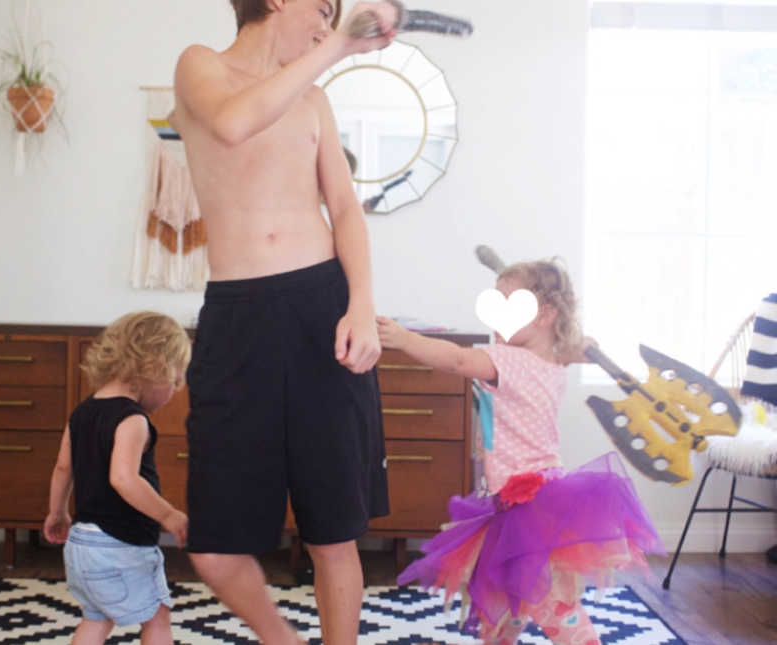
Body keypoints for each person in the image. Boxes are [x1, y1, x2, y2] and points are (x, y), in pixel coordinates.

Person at [168, 2, 399, 643]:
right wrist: (342, 46)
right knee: (213, 546)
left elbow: (346, 210)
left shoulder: (315, 101)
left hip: (322, 308)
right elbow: (235, 123)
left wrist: (360, 306)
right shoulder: (200, 66)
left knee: (333, 532)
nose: (329, 22)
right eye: (322, 7)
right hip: (238, 318)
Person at [377, 258, 666, 645]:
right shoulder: (550, 361)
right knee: (507, 600)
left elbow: (460, 359)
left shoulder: (509, 360)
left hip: (527, 503)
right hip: (523, 499)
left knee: (548, 604)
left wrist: (405, 339)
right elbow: (565, 350)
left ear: (545, 314)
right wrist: (578, 348)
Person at [43, 311, 191, 645]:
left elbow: (63, 468)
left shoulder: (81, 412)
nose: (172, 394)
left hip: (82, 543)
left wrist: (58, 512)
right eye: (175, 382)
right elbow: (123, 478)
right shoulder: (132, 419)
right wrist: (168, 515)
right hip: (119, 545)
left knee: (97, 618)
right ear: (155, 368)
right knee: (156, 617)